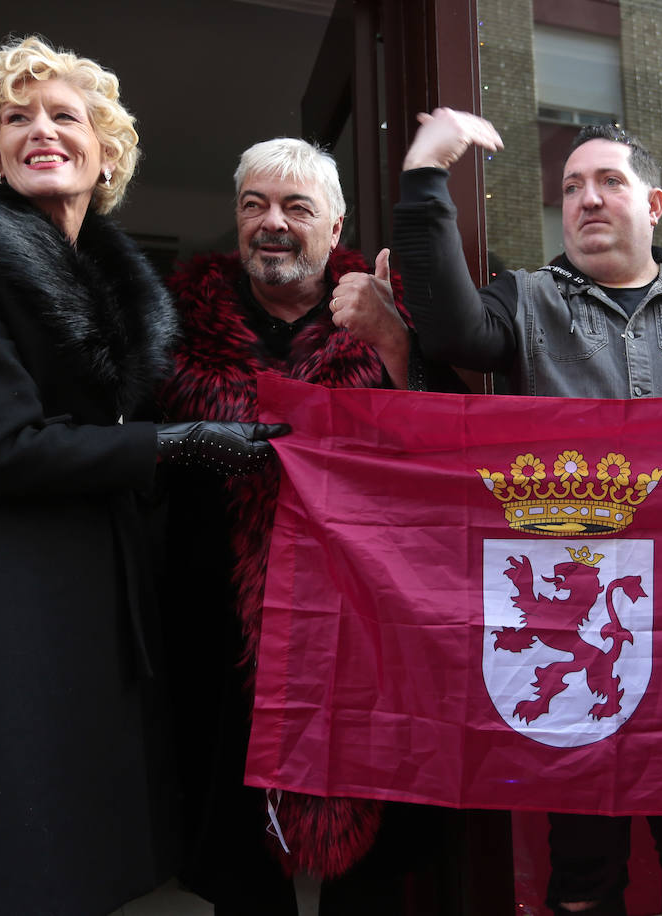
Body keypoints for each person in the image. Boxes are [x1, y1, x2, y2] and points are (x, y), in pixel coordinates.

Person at [0, 36, 282, 915]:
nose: (40, 131)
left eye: (64, 116)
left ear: (105, 148)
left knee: (100, 854)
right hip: (7, 583)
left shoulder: (114, 274)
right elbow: (1, 448)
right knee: (18, 850)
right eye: (14, 118)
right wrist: (174, 441)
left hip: (106, 587)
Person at [392, 108, 662, 916]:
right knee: (580, 871)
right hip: (568, 632)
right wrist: (425, 174)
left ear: (651, 205)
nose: (585, 199)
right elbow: (447, 328)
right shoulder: (525, 301)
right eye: (571, 186)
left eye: (608, 181)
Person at [160, 137, 456, 915]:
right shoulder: (174, 326)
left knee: (375, 874)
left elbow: (454, 453)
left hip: (367, 632)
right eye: (254, 205)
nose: (272, 224)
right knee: (238, 867)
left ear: (335, 227)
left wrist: (394, 339)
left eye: (296, 207)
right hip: (220, 631)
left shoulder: (394, 309)